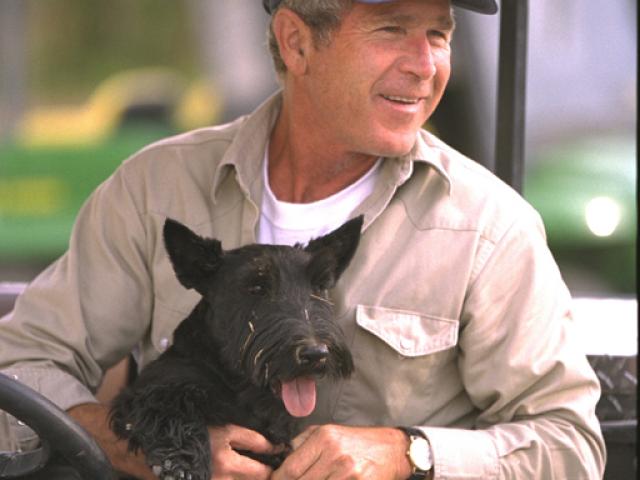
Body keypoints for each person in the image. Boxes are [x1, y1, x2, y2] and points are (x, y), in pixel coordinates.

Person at [0, 0, 606, 479]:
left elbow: (570, 446)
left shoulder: (491, 228)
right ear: (296, 41)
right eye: (392, 29)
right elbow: (19, 368)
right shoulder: (152, 189)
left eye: (439, 35)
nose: (426, 65)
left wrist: (408, 455)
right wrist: (139, 444)